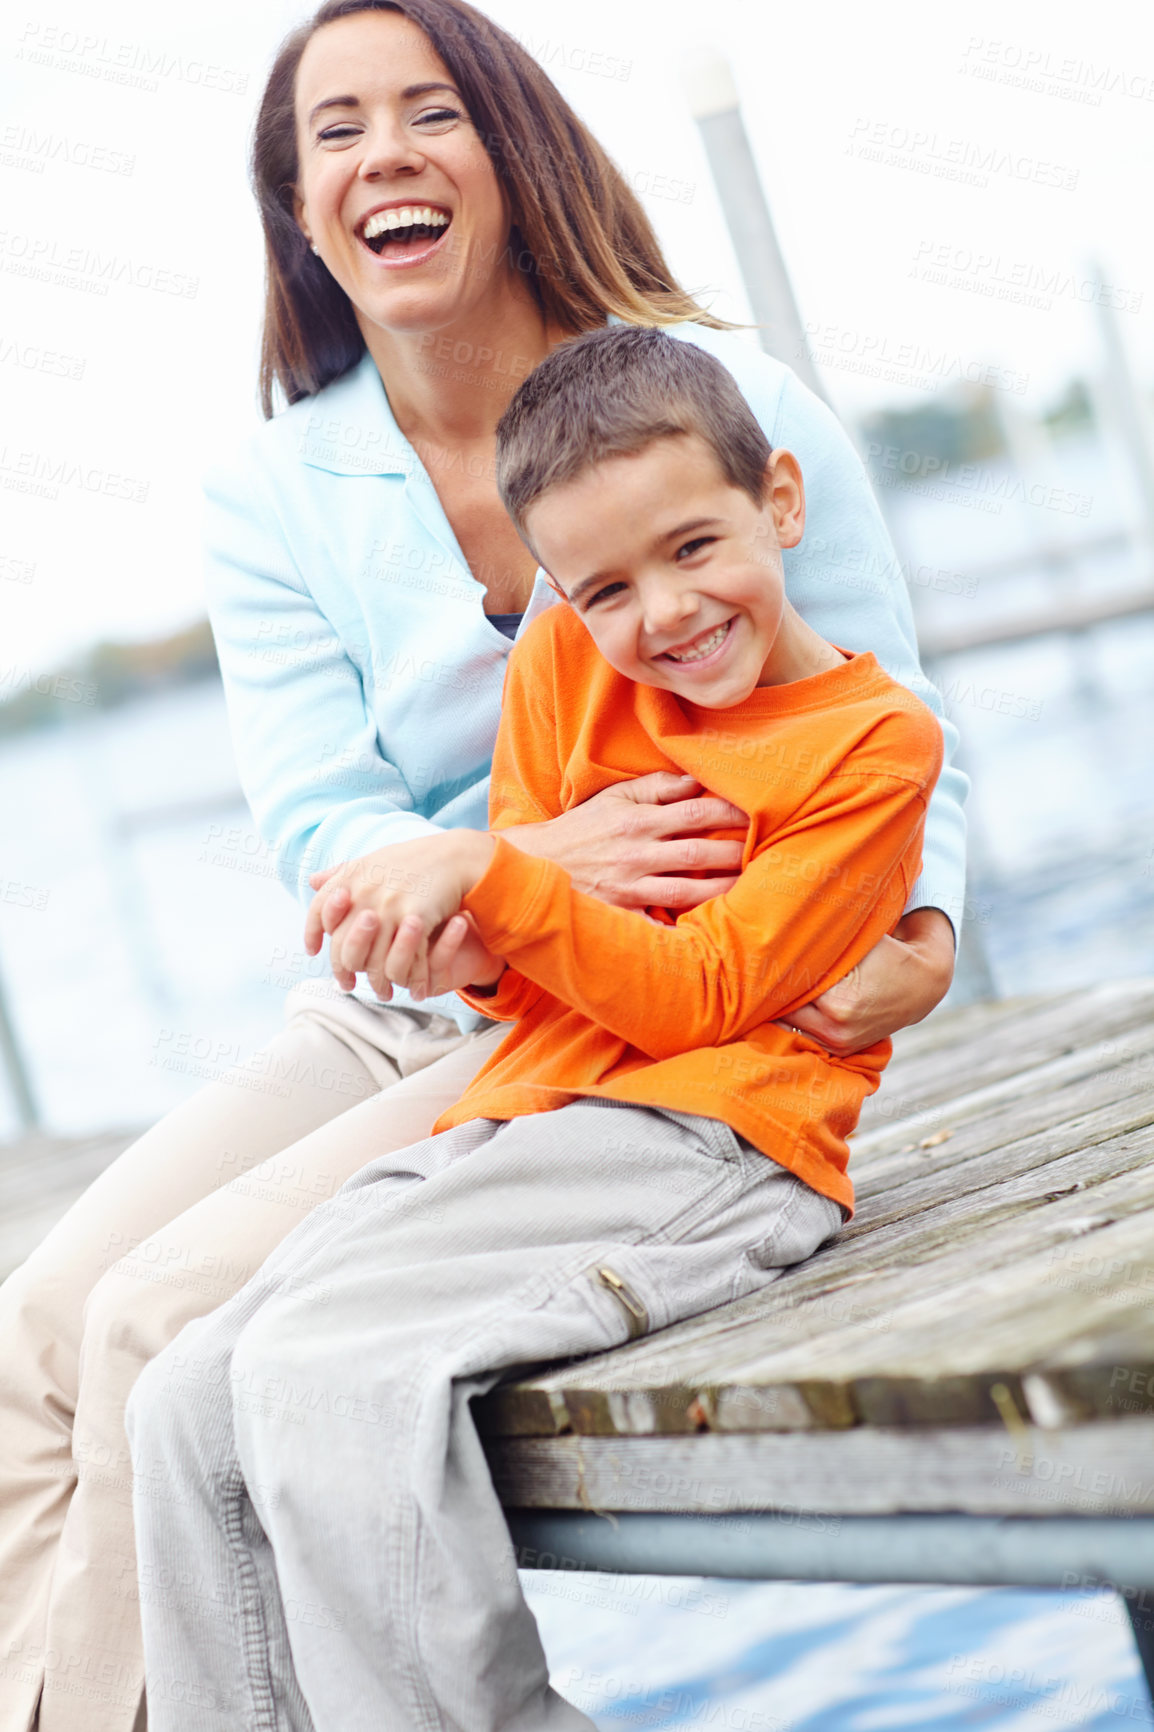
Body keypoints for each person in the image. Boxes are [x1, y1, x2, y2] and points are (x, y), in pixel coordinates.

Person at [0, 2, 965, 1728]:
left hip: (632, 1016)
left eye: (430, 111)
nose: (387, 153)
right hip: (408, 1000)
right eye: (337, 132)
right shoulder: (278, 489)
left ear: (506, 151)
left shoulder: (712, 400)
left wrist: (923, 924)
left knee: (160, 1333)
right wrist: (512, 857)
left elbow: (883, 703)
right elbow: (322, 823)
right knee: (34, 1335)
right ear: (298, 210)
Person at [125, 324, 944, 1731]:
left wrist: (492, 881)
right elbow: (526, 952)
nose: (665, 613)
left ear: (783, 503)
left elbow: (706, 994)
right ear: (556, 590)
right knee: (188, 1391)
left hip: (710, 1143)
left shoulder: (871, 745)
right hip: (522, 1113)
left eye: (694, 547)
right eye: (607, 586)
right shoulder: (565, 662)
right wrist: (480, 935)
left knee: (333, 1379)